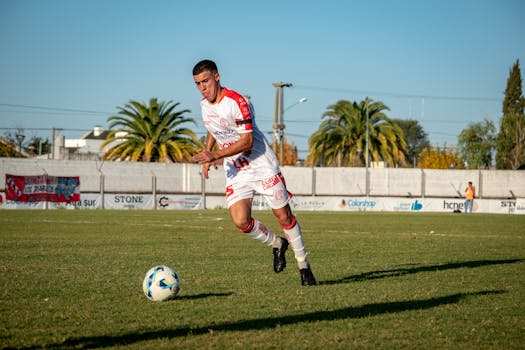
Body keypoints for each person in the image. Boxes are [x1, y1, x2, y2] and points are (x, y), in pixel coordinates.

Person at [191, 59, 316, 286]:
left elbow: (247, 141)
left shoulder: (237, 102)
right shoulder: (204, 105)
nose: (202, 87)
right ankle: (278, 244)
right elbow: (212, 128)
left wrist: (215, 155)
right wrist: (207, 153)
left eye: (206, 81)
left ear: (217, 77)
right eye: (198, 83)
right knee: (241, 221)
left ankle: (303, 266)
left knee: (284, 217)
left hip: (261, 165)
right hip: (237, 170)